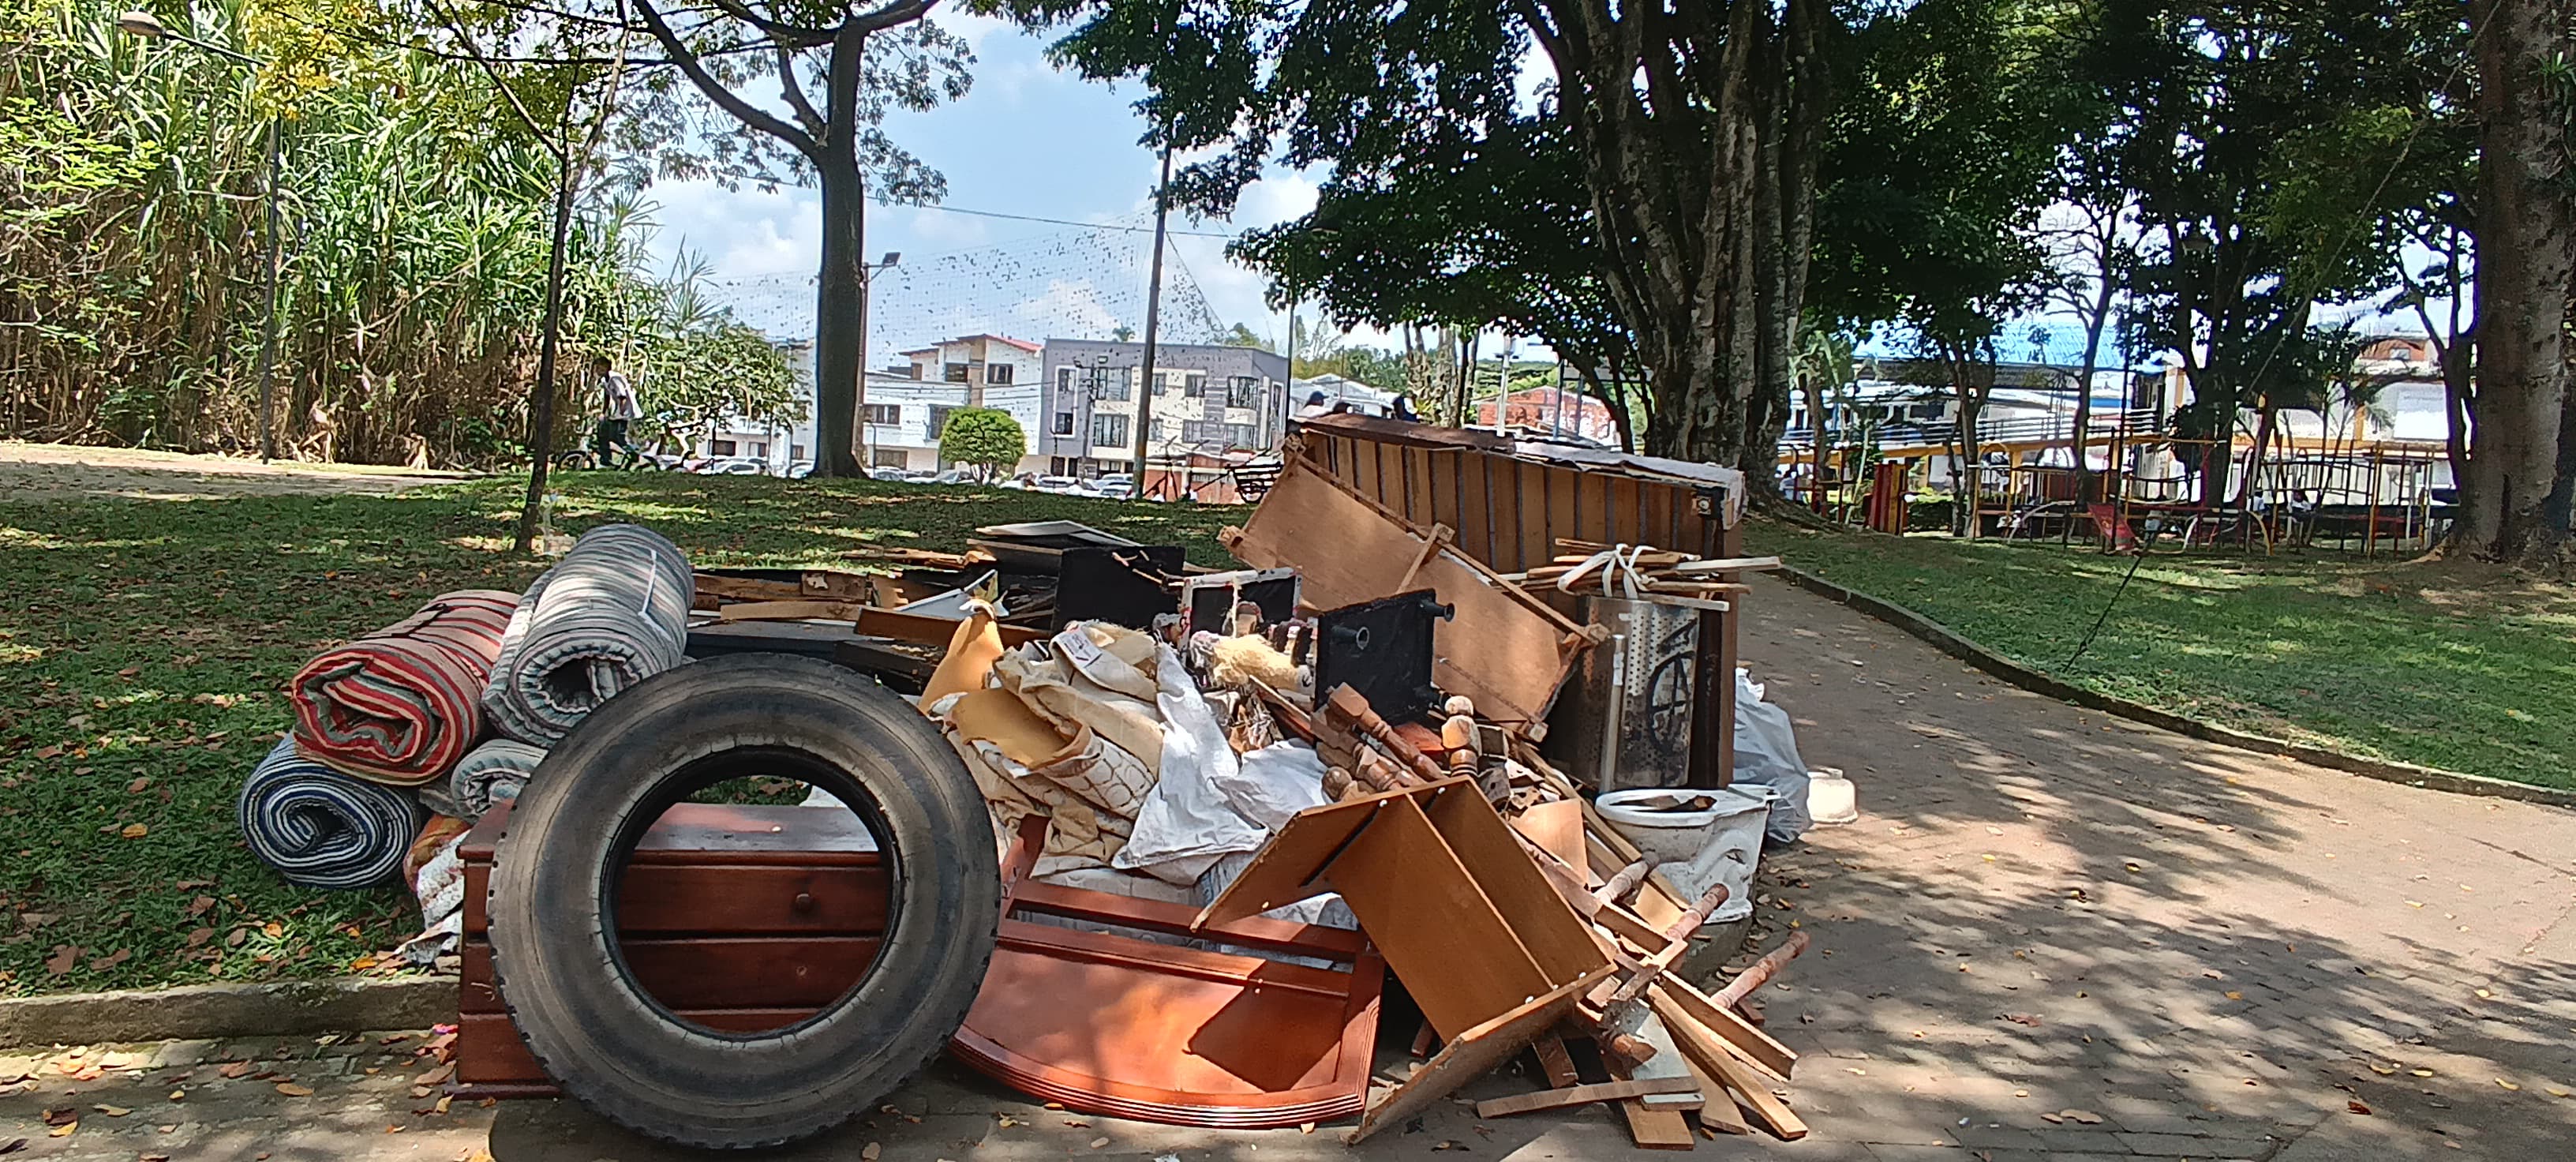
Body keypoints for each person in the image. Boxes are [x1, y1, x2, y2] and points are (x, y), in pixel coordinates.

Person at [593, 355, 640, 469]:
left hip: (626, 411)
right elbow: (607, 397)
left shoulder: (615, 378)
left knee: (618, 436)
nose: (598, 371)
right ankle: (606, 460)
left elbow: (622, 397)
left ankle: (635, 454)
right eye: (596, 368)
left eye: (600, 368)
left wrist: (620, 412)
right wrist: (603, 412)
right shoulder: (605, 380)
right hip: (617, 412)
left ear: (606, 367)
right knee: (604, 434)